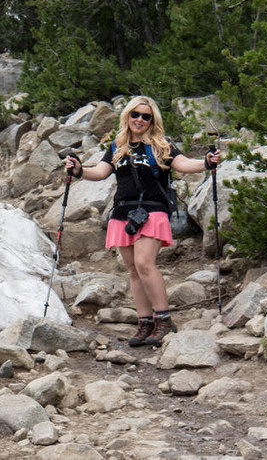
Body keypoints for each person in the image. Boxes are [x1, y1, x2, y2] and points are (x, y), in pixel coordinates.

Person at [64, 96, 221, 347]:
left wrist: (205, 162)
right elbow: (101, 172)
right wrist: (78, 170)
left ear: (152, 120)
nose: (139, 119)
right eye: (135, 114)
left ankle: (164, 320)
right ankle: (145, 322)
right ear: (127, 116)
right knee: (134, 270)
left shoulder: (162, 145)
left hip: (153, 210)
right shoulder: (117, 145)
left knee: (144, 263)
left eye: (145, 116)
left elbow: (182, 164)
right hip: (123, 213)